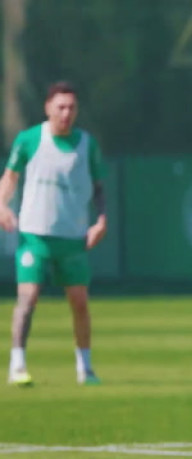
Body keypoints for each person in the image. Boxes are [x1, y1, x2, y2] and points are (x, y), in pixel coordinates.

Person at [0, 81, 107, 387]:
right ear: (48, 108)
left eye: (71, 107)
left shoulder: (87, 145)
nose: (66, 113)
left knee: (79, 302)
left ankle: (84, 367)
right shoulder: (30, 139)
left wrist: (101, 220)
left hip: (72, 239)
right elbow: (9, 177)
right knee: (28, 297)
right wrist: (2, 205)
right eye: (60, 107)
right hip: (35, 236)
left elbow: (99, 187)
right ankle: (17, 364)